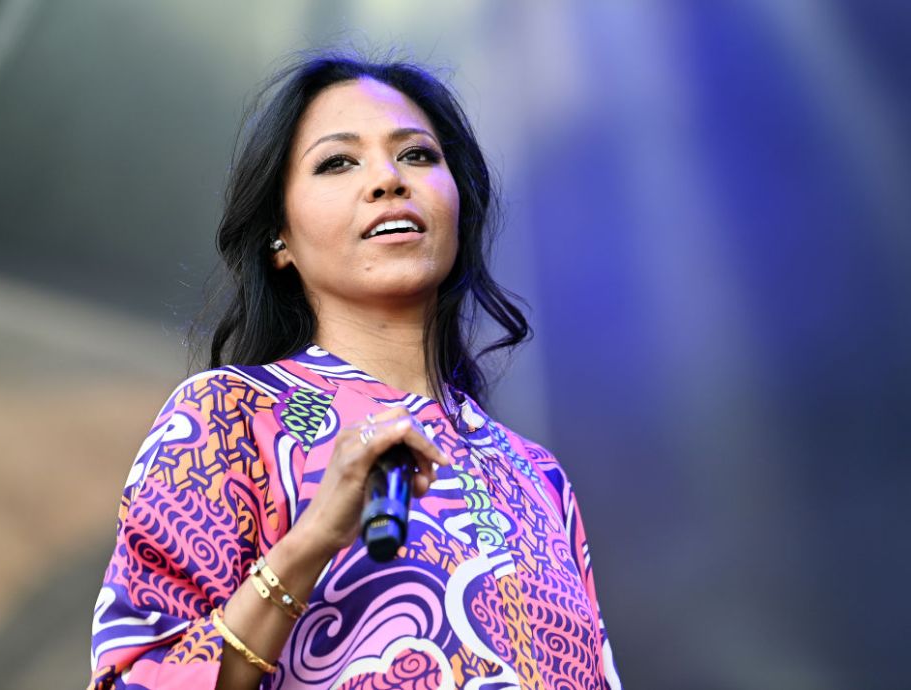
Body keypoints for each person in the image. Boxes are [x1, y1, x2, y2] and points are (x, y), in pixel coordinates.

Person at [88, 53, 622, 690]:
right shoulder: (227, 418)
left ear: (459, 204)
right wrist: (313, 539)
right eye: (338, 162)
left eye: (417, 155)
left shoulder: (537, 474)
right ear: (279, 238)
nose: (388, 179)